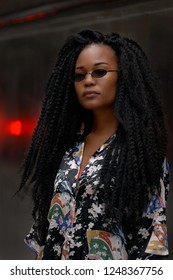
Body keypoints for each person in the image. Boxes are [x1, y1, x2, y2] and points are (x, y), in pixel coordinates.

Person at [19, 29, 170, 260]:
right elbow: (45, 234)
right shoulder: (67, 151)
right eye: (80, 76)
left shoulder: (142, 154)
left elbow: (151, 244)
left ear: (124, 76)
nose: (88, 80)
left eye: (99, 72)